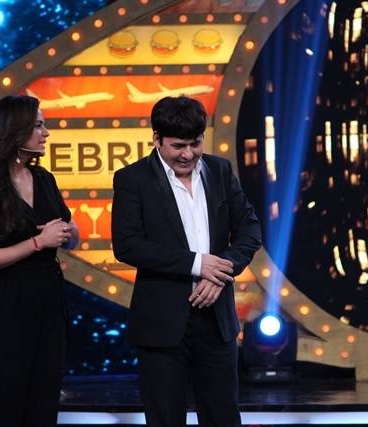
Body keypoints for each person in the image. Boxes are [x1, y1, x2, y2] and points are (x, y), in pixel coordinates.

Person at [112, 96, 261, 427]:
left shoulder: (220, 171)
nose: (188, 154)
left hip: (217, 321)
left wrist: (219, 271)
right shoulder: (132, 179)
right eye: (178, 146)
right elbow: (128, 246)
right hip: (162, 323)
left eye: (195, 144)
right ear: (157, 139)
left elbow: (250, 230)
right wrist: (196, 264)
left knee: (223, 417)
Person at [0, 95, 79, 427]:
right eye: (38, 125)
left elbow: (67, 233)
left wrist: (69, 233)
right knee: (6, 407)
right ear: (14, 131)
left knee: (44, 406)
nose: (45, 133)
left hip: (47, 304)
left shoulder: (44, 179)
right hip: (3, 309)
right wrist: (38, 242)